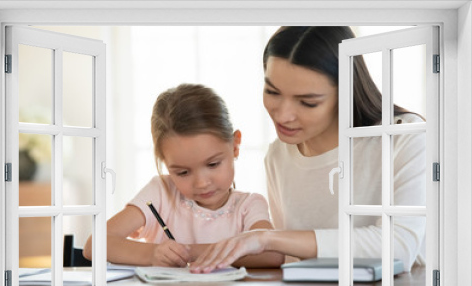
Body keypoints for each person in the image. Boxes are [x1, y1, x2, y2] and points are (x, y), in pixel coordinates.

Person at [190, 26, 426, 273]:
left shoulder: (403, 137)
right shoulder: (278, 155)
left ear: (345, 93)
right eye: (272, 92)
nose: (283, 115)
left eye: (307, 102)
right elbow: (294, 261)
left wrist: (266, 239)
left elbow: (399, 246)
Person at [83, 83, 284, 268]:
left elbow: (273, 254)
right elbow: (94, 245)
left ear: (235, 145)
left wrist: (189, 252)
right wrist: (153, 254)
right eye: (182, 172)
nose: (202, 183)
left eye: (213, 164)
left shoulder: (249, 206)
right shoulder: (160, 192)